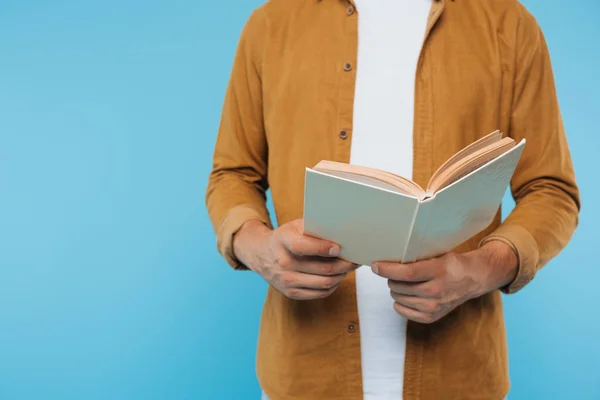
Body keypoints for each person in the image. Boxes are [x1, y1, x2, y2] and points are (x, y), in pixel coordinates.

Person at [205, 0, 581, 398]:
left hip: (458, 378)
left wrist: (477, 272)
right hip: (303, 375)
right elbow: (232, 174)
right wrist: (259, 247)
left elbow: (551, 190)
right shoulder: (271, 24)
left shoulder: (509, 24)